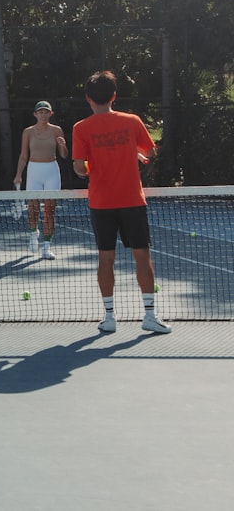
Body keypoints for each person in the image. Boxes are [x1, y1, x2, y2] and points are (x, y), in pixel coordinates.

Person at [72, 70, 171, 334]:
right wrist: (133, 153)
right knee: (142, 257)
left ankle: (109, 318)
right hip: (131, 201)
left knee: (106, 259)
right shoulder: (132, 121)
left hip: (101, 203)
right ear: (114, 96)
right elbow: (149, 151)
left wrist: (95, 165)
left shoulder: (80, 128)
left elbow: (80, 169)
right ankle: (149, 316)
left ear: (88, 99)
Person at [13, 101, 68, 260]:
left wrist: (63, 146)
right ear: (35, 114)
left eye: (46, 112)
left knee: (50, 210)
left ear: (51, 114)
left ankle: (46, 247)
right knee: (32, 209)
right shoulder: (28, 132)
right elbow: (24, 155)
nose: (43, 115)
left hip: (51, 170)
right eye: (40, 112)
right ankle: (33, 234)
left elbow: (64, 155)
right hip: (34, 171)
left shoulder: (57, 130)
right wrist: (18, 175)